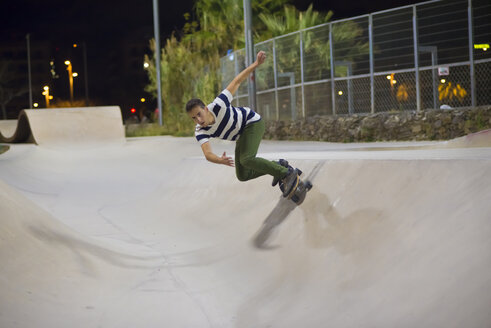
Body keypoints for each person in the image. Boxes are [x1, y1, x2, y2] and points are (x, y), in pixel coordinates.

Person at [185, 51, 298, 194]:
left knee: (246, 159)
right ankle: (278, 166)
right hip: (240, 135)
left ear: (206, 109)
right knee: (243, 175)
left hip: (252, 123)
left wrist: (256, 64)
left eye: (199, 114)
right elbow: (207, 153)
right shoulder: (200, 131)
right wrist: (220, 160)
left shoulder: (219, 105)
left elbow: (237, 81)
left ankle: (285, 173)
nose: (199, 120)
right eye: (194, 118)